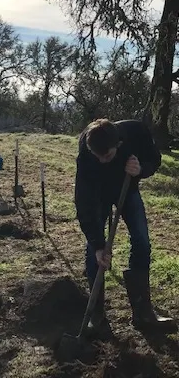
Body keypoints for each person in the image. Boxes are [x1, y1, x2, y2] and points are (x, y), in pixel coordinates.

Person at [75, 119, 176, 333]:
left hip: (127, 188)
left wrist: (140, 169)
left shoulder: (136, 131)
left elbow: (154, 159)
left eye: (108, 156)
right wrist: (98, 244)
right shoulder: (86, 149)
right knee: (95, 251)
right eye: (97, 156)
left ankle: (143, 313)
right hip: (97, 194)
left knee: (142, 240)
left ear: (119, 144)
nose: (102, 161)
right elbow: (84, 202)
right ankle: (97, 317)